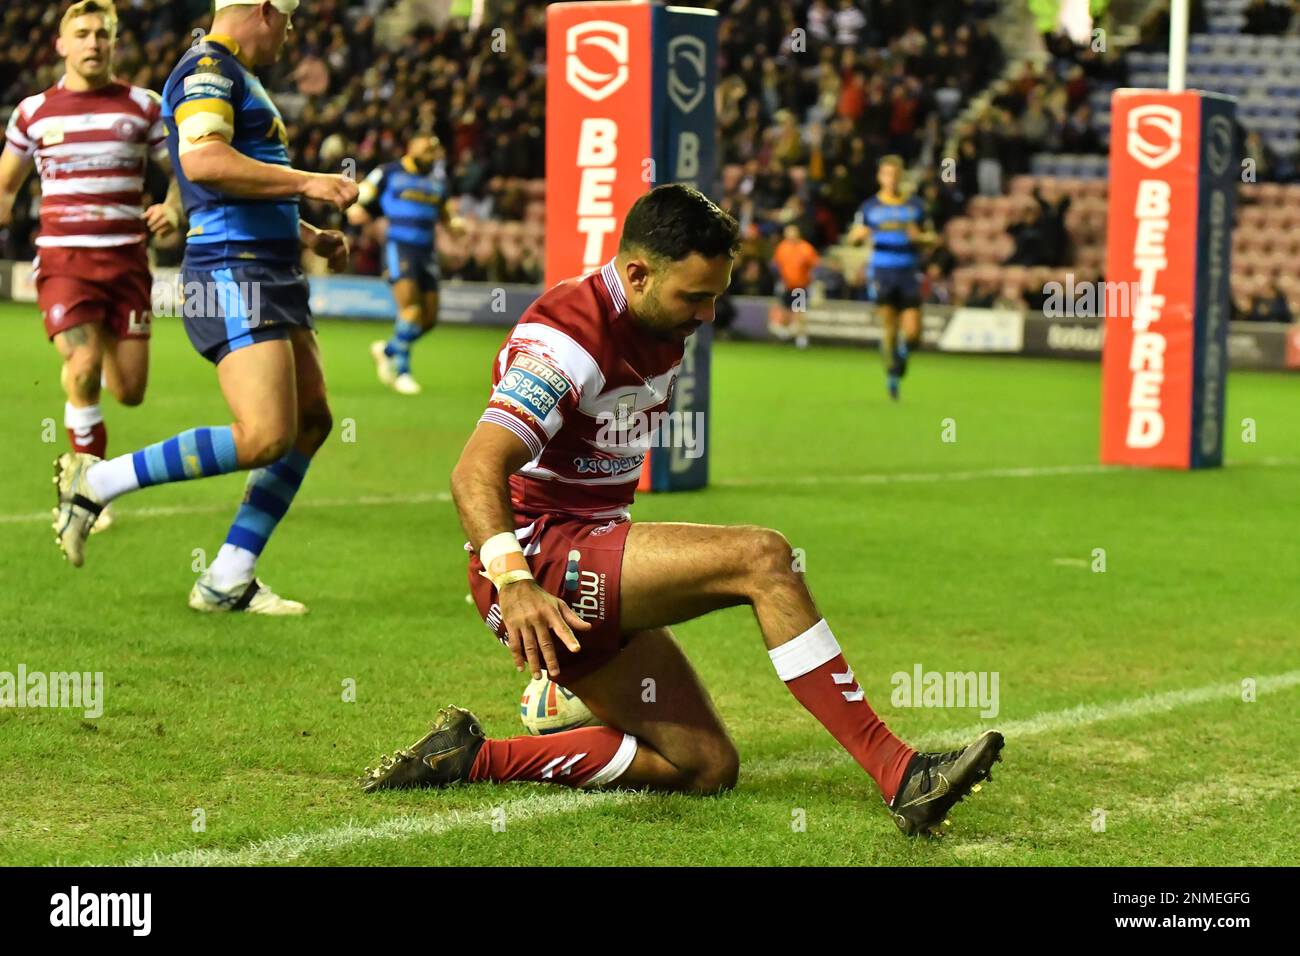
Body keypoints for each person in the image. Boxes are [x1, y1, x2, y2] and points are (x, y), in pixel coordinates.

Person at [359, 184, 1003, 838]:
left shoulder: (656, 319)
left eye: (716, 296)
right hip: (540, 560)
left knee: (704, 766)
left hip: (586, 555)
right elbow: (474, 467)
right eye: (695, 297)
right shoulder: (564, 344)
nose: (706, 314)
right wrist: (516, 581)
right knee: (763, 559)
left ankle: (469, 757)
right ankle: (902, 774)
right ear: (636, 273)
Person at [51, 0, 359, 615]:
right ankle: (97, 480)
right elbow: (203, 163)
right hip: (231, 269)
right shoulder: (206, 70)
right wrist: (308, 181)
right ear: (266, 10)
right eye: (289, 21)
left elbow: (242, 179)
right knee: (266, 435)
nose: (291, 35)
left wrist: (307, 234)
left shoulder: (239, 78)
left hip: (268, 268)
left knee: (310, 422)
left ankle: (227, 577)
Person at [0, 0, 184, 534]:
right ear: (60, 44)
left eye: (102, 34)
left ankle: (90, 464)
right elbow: (7, 186)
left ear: (114, 43)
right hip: (65, 261)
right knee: (82, 367)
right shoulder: (33, 112)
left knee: (129, 391)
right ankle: (85, 488)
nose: (93, 43)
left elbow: (181, 174)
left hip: (127, 264)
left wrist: (173, 206)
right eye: (81, 33)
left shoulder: (143, 107)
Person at [348, 134, 463, 396]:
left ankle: (387, 350)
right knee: (410, 310)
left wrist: (456, 226)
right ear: (410, 149)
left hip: (427, 252)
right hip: (399, 247)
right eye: (425, 151)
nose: (430, 156)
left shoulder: (437, 182)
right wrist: (356, 204)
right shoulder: (388, 172)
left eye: (433, 153)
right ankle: (402, 372)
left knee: (429, 319)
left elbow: (447, 216)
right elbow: (365, 191)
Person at [848, 155, 935, 400]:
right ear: (880, 177)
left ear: (902, 177)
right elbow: (853, 238)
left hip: (909, 272)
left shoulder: (915, 207)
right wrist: (858, 236)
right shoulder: (869, 208)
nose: (891, 179)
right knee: (889, 328)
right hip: (882, 272)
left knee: (913, 333)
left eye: (896, 175)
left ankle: (901, 359)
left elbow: (933, 238)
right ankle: (892, 377)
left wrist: (921, 238)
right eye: (887, 174)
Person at [770, 223, 820, 348]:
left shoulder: (806, 248)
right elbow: (777, 265)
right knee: (785, 311)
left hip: (800, 286)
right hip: (786, 285)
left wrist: (811, 282)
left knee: (799, 312)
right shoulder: (782, 247)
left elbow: (814, 267)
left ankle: (801, 338)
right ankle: (785, 336)